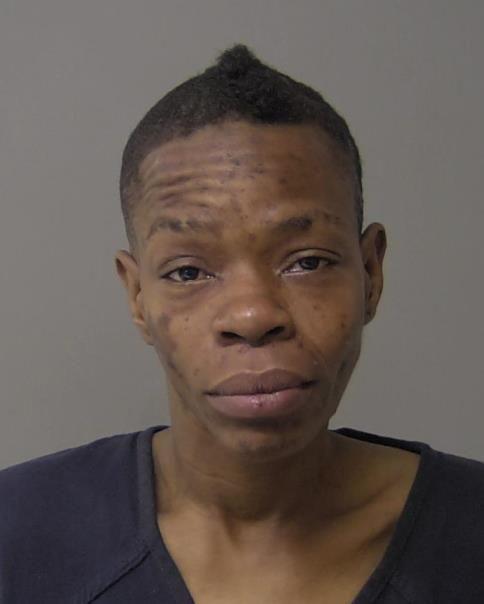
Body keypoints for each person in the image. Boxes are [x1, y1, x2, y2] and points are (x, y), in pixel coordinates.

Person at [1, 43, 483, 604]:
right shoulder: (17, 532)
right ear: (137, 295)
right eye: (188, 272)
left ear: (370, 273)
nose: (253, 316)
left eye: (307, 262)